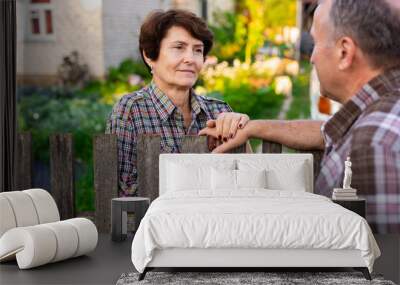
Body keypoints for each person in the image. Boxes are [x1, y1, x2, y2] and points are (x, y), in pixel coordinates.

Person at [199, 0, 400, 234]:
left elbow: (381, 266)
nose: (311, 57)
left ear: (344, 52)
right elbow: (332, 130)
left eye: (315, 43)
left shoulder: (374, 148)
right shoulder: (380, 114)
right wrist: (253, 128)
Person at [106, 9, 248, 197]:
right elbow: (126, 193)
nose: (190, 58)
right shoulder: (130, 112)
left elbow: (246, 182)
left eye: (197, 50)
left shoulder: (219, 111)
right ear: (150, 56)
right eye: (179, 47)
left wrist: (243, 130)